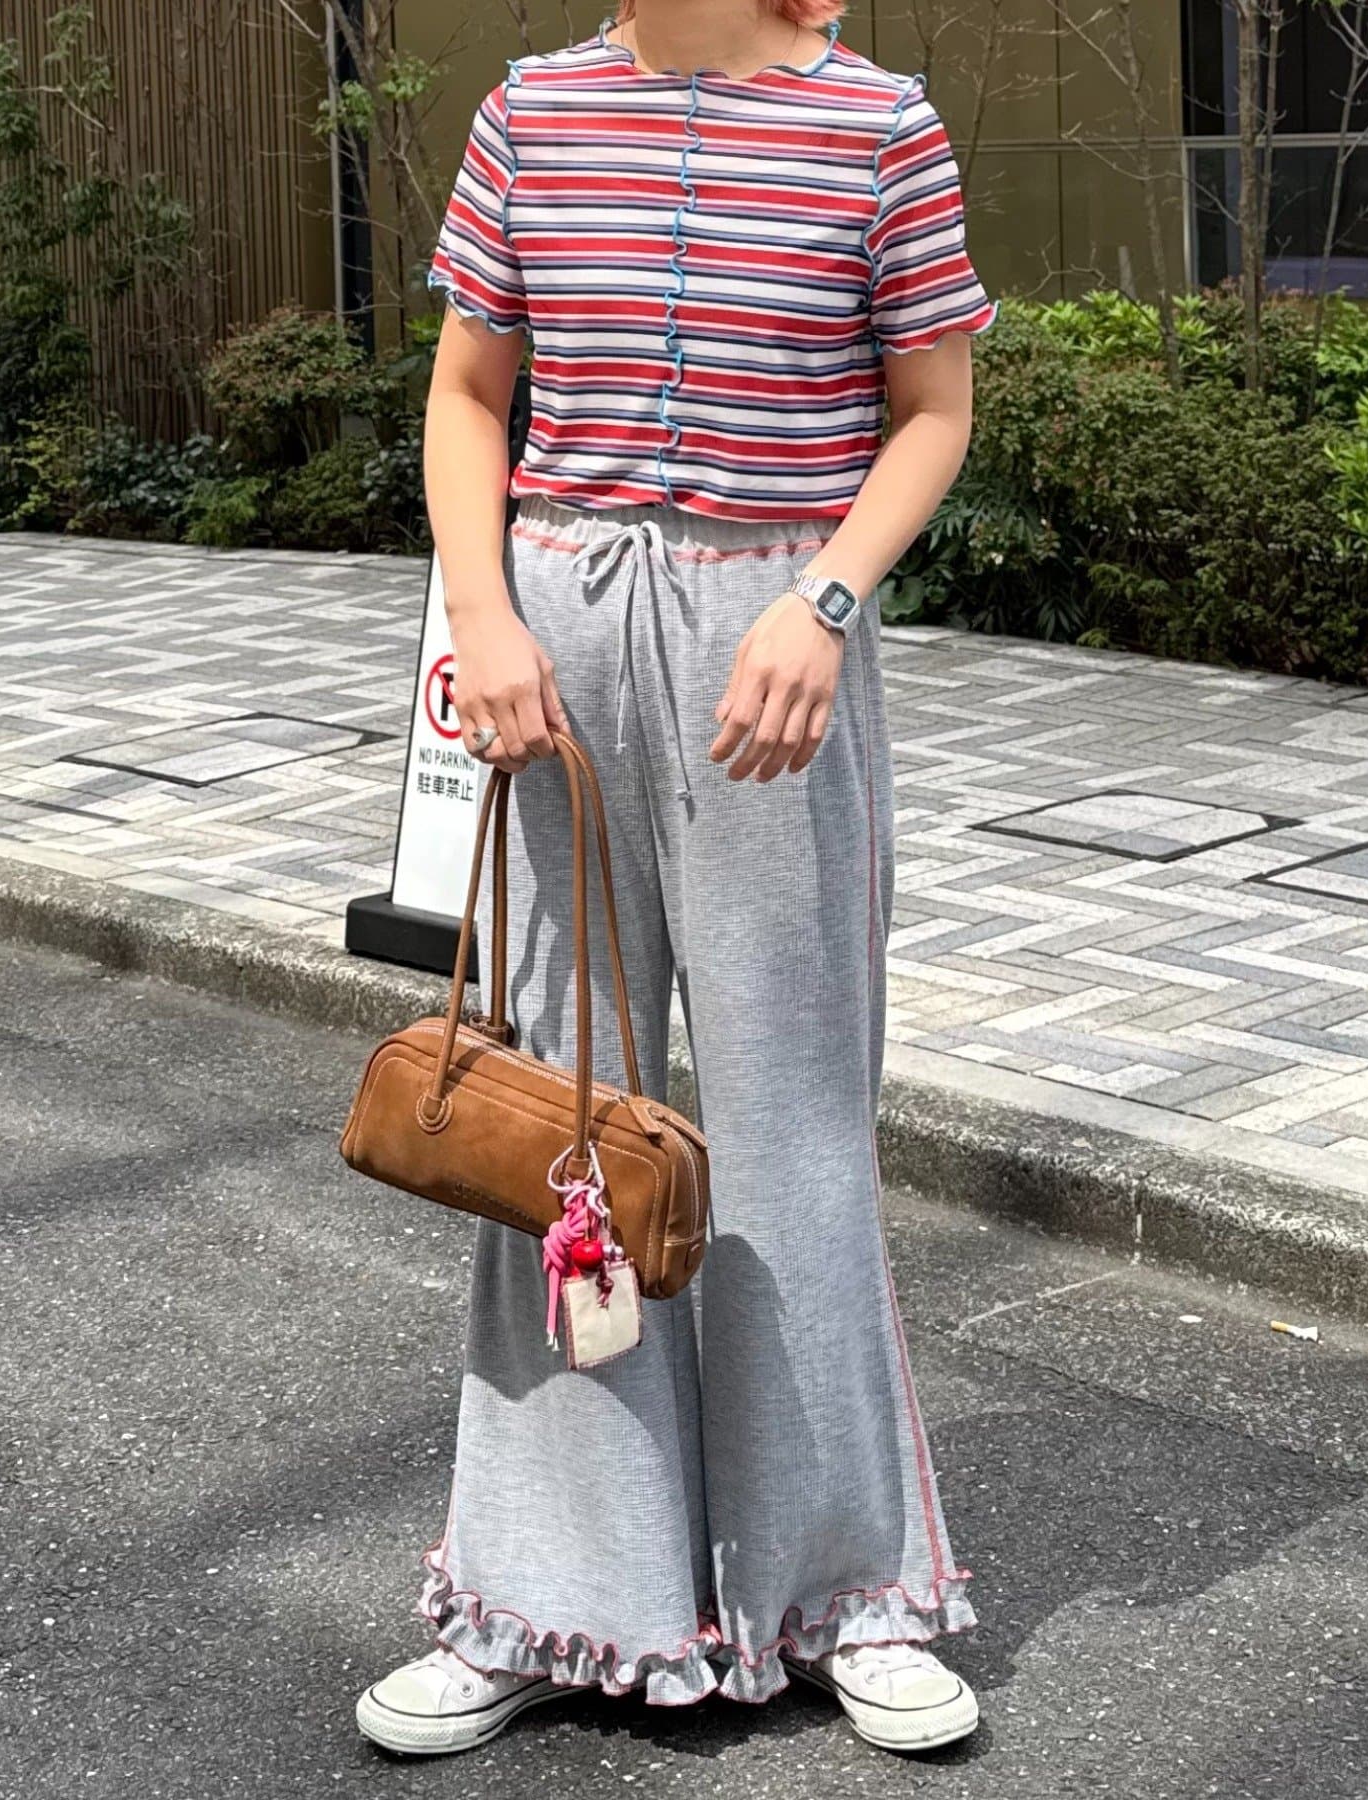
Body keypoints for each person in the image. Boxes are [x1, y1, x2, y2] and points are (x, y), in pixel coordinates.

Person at [355, 0, 995, 1759]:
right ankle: (547, 1594)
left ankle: (848, 1592)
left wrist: (827, 600)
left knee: (793, 1114)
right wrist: (480, 617)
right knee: (564, 1109)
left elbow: (933, 411)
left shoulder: (878, 126)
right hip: (556, 633)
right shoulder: (532, 115)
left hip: (774, 639)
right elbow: (467, 393)